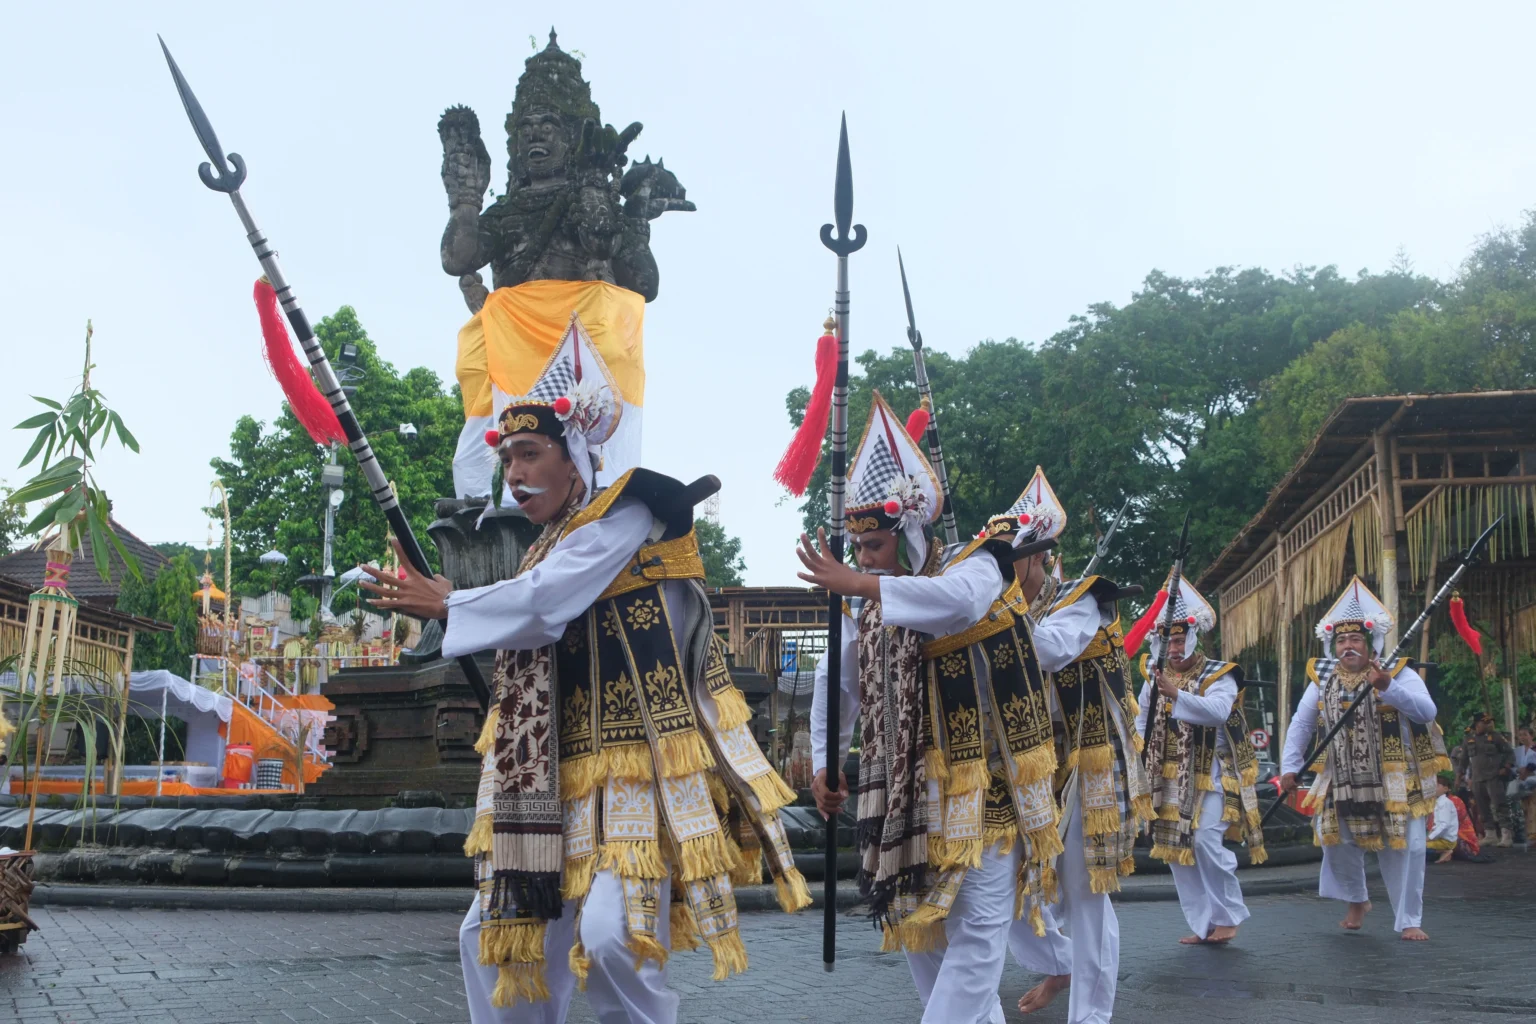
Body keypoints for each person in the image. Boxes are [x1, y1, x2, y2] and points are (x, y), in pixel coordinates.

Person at [360, 327, 809, 1024]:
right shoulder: (544, 544)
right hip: (553, 774)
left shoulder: (626, 513)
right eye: (506, 458)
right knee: (490, 933)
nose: (514, 474)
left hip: (638, 765)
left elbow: (545, 604)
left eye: (529, 453)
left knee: (609, 937)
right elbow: (534, 608)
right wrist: (460, 604)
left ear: (576, 455)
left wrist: (451, 603)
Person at [805, 392, 1027, 1024]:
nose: (863, 558)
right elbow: (835, 682)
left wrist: (863, 583)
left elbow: (956, 605)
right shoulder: (865, 603)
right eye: (858, 548)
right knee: (919, 932)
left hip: (979, 786)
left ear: (908, 532)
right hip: (902, 793)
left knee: (978, 928)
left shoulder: (976, 565)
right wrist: (825, 762)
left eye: (874, 545)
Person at [1000, 469, 1150, 1024]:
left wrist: (992, 615)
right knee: (1001, 882)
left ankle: (1090, 1015)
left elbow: (1048, 651)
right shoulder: (1010, 609)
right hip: (1034, 771)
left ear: (1039, 560)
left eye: (1012, 562)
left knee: (1087, 894)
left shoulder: (1082, 600)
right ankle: (1059, 963)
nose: (1001, 574)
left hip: (1090, 767)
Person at [1279, 577, 1447, 942]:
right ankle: (1356, 899)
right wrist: (1290, 767)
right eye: (1341, 641)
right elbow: (1301, 724)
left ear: (1370, 643)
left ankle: (1409, 919)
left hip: (1396, 773)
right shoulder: (1322, 677)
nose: (1348, 646)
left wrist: (1389, 687)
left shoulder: (1398, 671)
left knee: (1406, 846)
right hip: (1341, 774)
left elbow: (1426, 712)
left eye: (1355, 639)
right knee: (1333, 839)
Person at [1131, 575, 1266, 946]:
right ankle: (1204, 924)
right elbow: (1143, 719)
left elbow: (1219, 712)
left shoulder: (1219, 674)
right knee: (1175, 850)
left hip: (1212, 774)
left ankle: (1228, 916)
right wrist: (1138, 758)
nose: (1173, 648)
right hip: (1168, 775)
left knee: (1205, 841)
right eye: (1166, 640)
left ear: (1192, 637)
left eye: (1178, 640)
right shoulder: (1153, 675)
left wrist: (1176, 695)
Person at [1463, 713, 1515, 848]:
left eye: (1489, 722)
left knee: (1500, 805)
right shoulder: (1469, 738)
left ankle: (1506, 835)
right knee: (1482, 807)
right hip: (1477, 778)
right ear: (1476, 724)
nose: (1488, 724)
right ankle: (1490, 834)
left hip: (1494, 776)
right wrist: (1460, 776)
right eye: (1484, 722)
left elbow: (1509, 752)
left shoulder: (1496, 737)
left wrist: (1506, 767)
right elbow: (1464, 759)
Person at [1428, 771, 1480, 862]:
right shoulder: (1435, 801)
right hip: (1442, 836)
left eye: (1437, 785)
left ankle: (1444, 851)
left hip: (1458, 838)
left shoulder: (1454, 801)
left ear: (1446, 788)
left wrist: (1429, 837)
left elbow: (1444, 826)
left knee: (1420, 849)